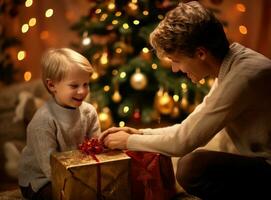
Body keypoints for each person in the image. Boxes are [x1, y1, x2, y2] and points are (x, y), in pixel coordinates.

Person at [99, 1, 271, 199]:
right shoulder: (231, 65)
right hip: (257, 160)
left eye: (176, 61)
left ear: (200, 53)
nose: (174, 69)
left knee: (191, 166)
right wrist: (140, 131)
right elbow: (187, 129)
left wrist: (129, 141)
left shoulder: (245, 77)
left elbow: (183, 143)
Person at [18, 48, 101, 200]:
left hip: (77, 173)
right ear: (52, 86)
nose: (82, 91)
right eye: (74, 86)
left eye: (86, 84)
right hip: (41, 179)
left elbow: (96, 148)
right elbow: (50, 169)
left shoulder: (89, 112)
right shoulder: (43, 120)